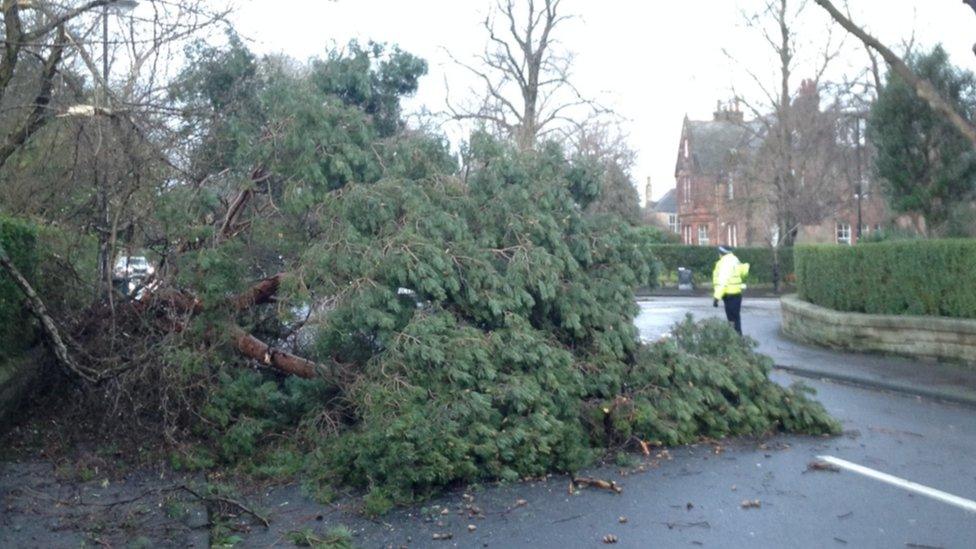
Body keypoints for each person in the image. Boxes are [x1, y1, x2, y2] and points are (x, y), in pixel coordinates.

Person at [712, 246, 749, 334]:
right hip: (737, 293)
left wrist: (716, 298)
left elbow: (723, 281)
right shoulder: (735, 259)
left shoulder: (724, 263)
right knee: (736, 318)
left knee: (732, 320)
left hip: (729, 294)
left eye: (719, 252)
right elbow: (744, 273)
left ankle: (736, 340)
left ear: (722, 253)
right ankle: (737, 339)